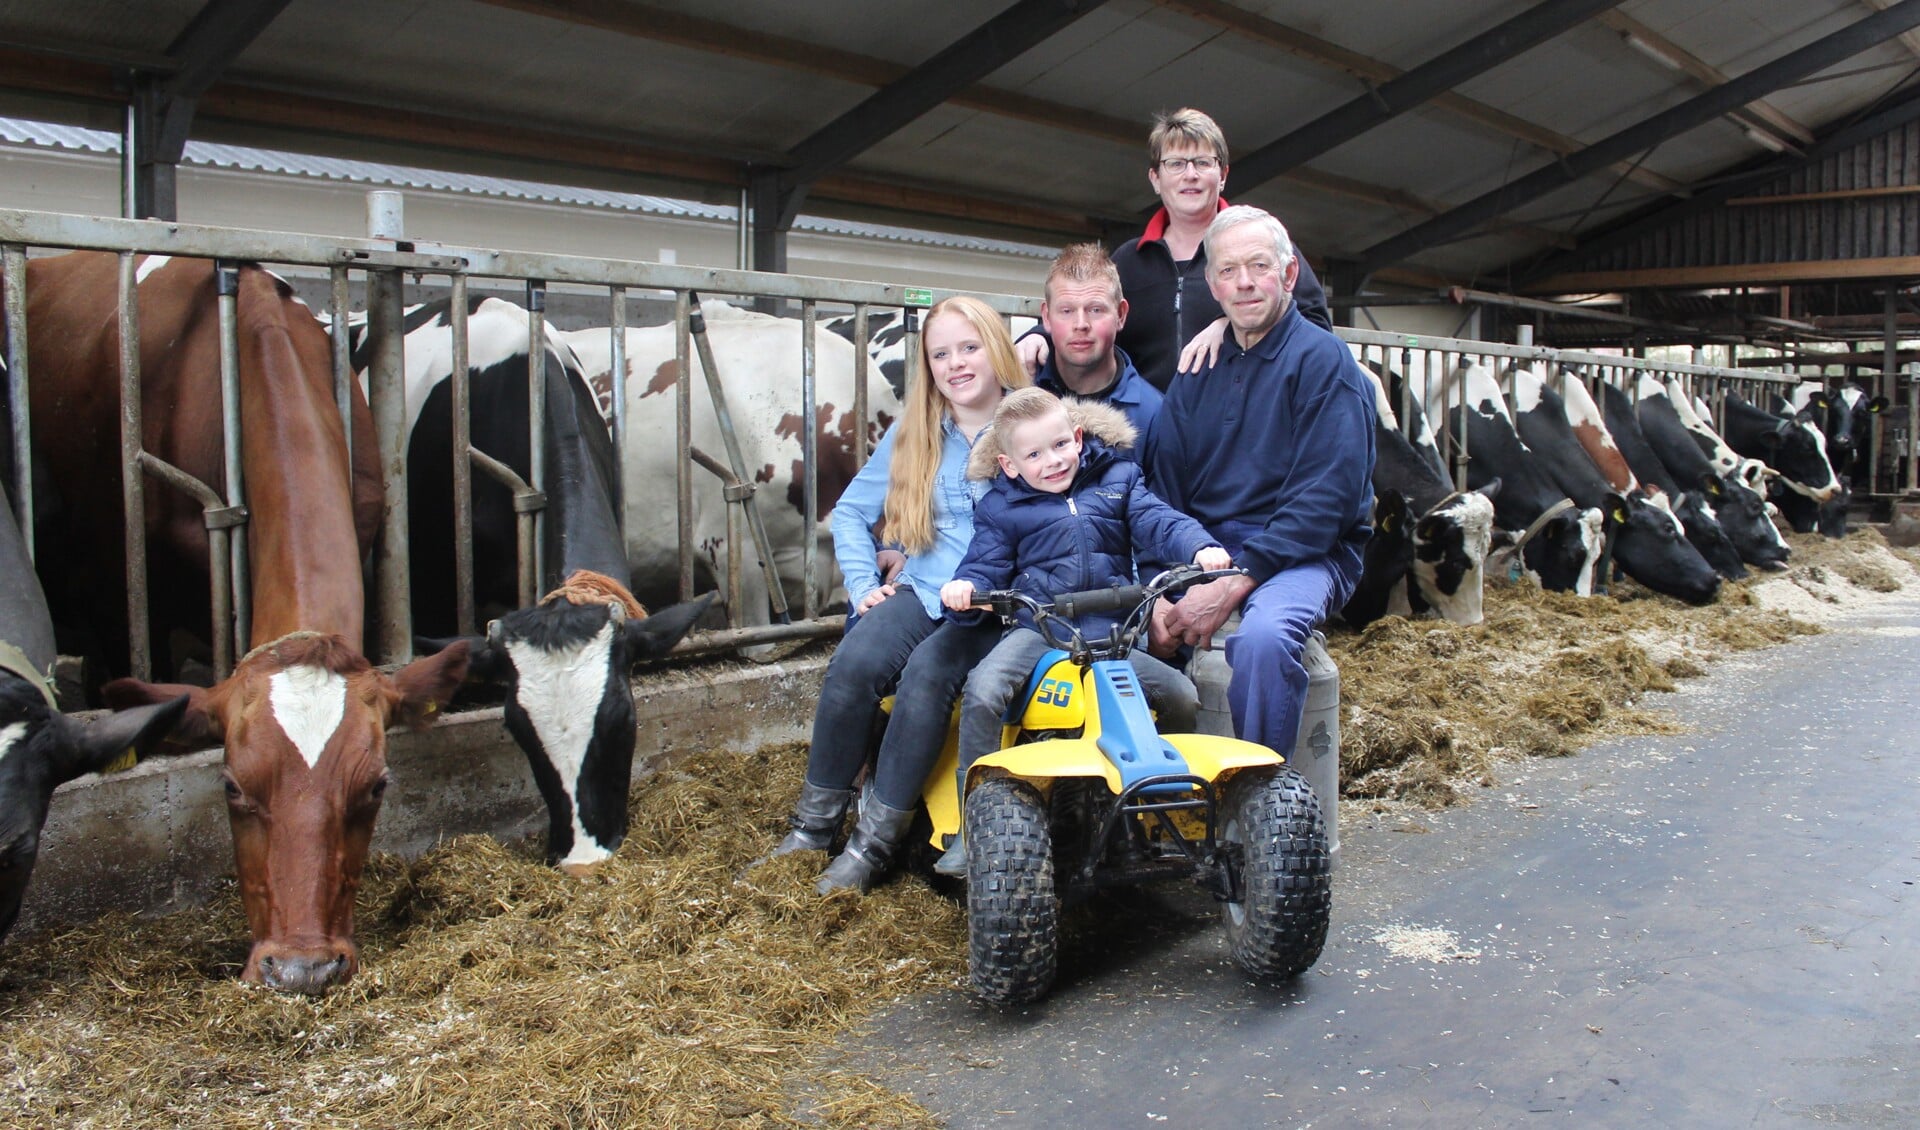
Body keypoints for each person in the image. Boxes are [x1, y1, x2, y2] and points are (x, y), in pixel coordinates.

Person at [769, 295, 1029, 894]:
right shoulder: (916, 434)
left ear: (996, 349)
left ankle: (872, 845)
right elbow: (852, 515)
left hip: (996, 604)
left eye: (970, 348)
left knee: (926, 681)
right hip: (925, 586)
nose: (957, 364)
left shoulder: (1029, 423)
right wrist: (863, 587)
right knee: (854, 664)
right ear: (928, 366)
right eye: (941, 354)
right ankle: (811, 830)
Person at [935, 388, 1229, 875]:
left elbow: (1160, 522)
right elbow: (983, 564)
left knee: (1179, 692)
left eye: (1058, 446)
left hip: (1113, 634)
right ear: (1010, 466)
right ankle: (975, 824)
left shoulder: (1119, 480)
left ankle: (1166, 806)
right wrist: (967, 590)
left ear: (1076, 437)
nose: (1051, 462)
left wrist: (1199, 548)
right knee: (984, 690)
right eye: (1033, 455)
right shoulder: (1002, 510)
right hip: (1041, 629)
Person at [1143, 205, 1375, 756]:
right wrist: (1156, 589)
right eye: (1228, 271)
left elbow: (1328, 500)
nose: (1244, 282)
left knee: (1264, 641)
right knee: (1116, 639)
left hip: (1306, 553)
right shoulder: (1196, 370)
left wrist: (1234, 581)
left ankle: (1260, 806)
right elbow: (1160, 490)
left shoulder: (1324, 362)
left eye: (1259, 266)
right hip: (1202, 551)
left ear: (1288, 275)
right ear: (1212, 285)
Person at [1019, 107, 1332, 392]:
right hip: (1148, 428)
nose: (1190, 175)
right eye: (1176, 164)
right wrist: (1038, 336)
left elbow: (1315, 327)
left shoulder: (1264, 244)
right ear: (1156, 178)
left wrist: (1231, 325)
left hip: (1239, 423)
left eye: (1203, 163)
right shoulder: (1130, 259)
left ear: (1222, 176)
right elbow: (1083, 305)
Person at [1030, 243, 1162, 441]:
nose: (1081, 324)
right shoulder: (1020, 390)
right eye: (1067, 311)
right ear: (1046, 317)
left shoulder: (1154, 414)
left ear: (1120, 315)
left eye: (1095, 310)